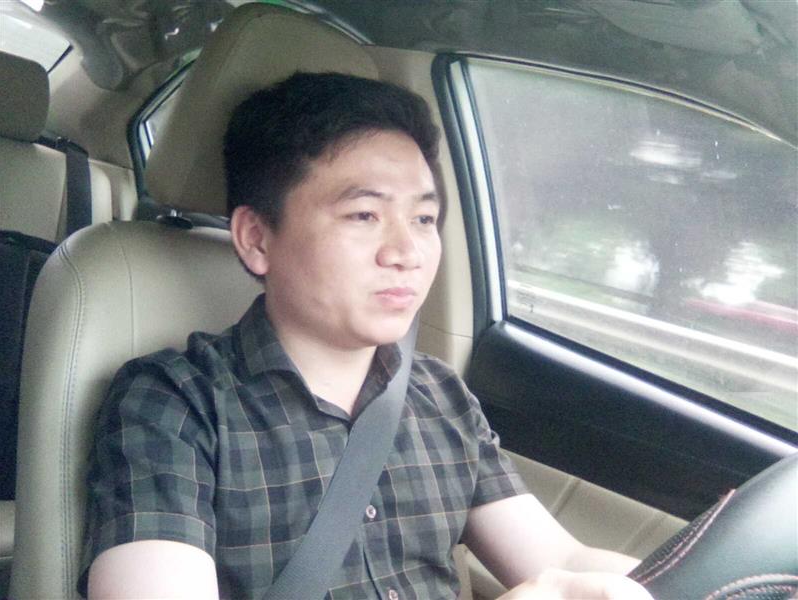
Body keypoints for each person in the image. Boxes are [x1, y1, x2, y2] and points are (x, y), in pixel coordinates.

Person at [79, 72, 652, 600]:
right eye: (364, 216)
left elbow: (561, 559)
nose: (406, 252)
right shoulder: (176, 405)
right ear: (256, 238)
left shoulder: (440, 396)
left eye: (423, 219)